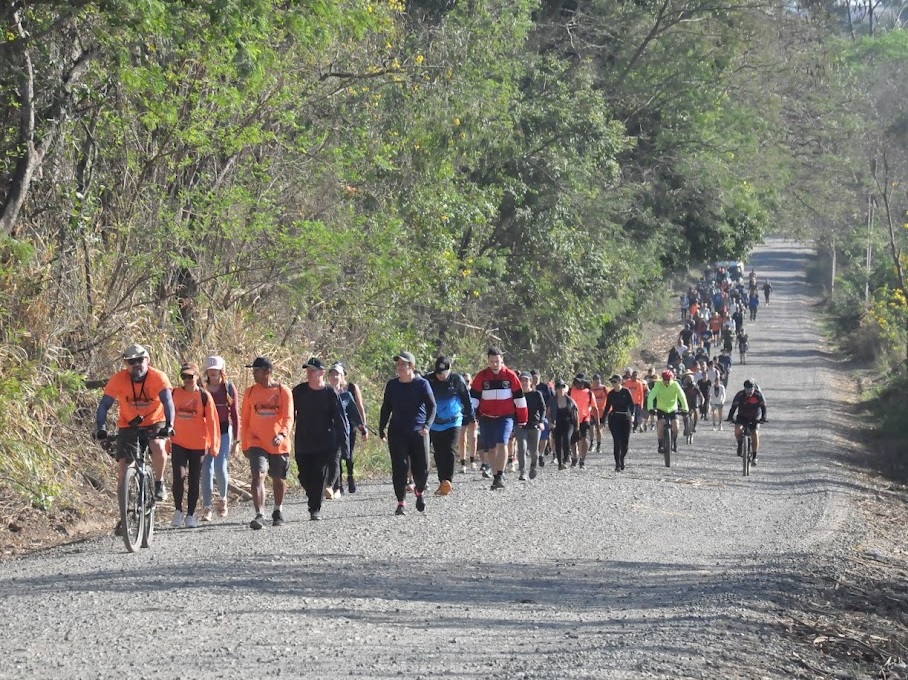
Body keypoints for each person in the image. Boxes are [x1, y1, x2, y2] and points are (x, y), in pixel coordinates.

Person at [96, 343, 175, 534]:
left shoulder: (158, 377)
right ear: (126, 364)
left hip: (156, 421)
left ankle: (159, 483)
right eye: (131, 362)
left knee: (157, 445)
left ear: (147, 360)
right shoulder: (119, 379)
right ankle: (125, 515)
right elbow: (104, 405)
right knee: (124, 471)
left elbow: (168, 401)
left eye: (140, 360)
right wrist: (101, 428)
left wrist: (170, 425)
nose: (136, 365)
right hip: (128, 424)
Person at [378, 351, 437, 514]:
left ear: (411, 366)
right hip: (397, 432)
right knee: (400, 467)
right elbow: (386, 408)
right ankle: (401, 502)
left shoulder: (422, 384)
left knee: (422, 467)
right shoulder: (392, 385)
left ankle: (419, 491)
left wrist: (427, 426)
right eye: (398, 364)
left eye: (403, 364)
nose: (399, 367)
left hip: (418, 432)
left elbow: (432, 406)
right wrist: (381, 427)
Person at [293, 357, 350, 520]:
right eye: (308, 370)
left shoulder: (330, 393)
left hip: (324, 443)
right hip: (303, 441)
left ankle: (314, 509)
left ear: (322, 373)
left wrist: (344, 444)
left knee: (318, 475)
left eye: (312, 370)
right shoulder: (298, 391)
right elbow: (289, 415)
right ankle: (313, 494)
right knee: (304, 475)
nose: (309, 373)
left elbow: (340, 419)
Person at [241, 356, 294, 530]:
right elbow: (246, 420)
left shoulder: (283, 391)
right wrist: (245, 444)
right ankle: (260, 514)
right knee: (258, 475)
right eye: (253, 371)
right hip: (256, 441)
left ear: (267, 372)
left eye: (256, 371)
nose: (254, 374)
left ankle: (277, 510)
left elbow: (288, 417)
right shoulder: (250, 392)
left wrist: (282, 434)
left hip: (279, 443)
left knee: (278, 479)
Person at [469, 347, 528, 490]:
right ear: (488, 361)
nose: (495, 364)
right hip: (486, 417)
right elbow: (474, 398)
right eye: (492, 361)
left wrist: (522, 418)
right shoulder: (481, 376)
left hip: (505, 417)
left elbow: (519, 398)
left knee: (502, 443)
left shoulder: (511, 376)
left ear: (502, 360)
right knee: (491, 448)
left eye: (497, 361)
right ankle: (495, 477)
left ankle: (500, 474)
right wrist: (472, 416)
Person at [169, 363, 219, 529]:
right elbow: (166, 417)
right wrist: (166, 441)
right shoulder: (174, 393)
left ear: (197, 376)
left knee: (193, 479)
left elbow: (213, 421)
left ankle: (190, 514)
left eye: (191, 376)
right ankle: (178, 510)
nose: (188, 380)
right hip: (178, 442)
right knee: (179, 476)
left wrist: (215, 445)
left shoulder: (204, 396)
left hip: (198, 444)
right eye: (184, 376)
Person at [426, 356, 473, 496]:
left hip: (454, 420)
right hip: (434, 422)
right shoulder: (428, 380)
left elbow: (466, 398)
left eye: (443, 373)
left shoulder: (457, 380)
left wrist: (471, 416)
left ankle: (448, 480)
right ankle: (442, 481)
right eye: (438, 373)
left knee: (449, 449)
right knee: (439, 452)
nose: (441, 376)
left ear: (449, 370)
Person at [200, 355, 239, 520]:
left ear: (222, 370)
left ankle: (222, 500)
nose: (213, 372)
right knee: (205, 468)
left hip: (223, 430)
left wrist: (236, 440)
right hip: (206, 432)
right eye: (210, 369)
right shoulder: (201, 388)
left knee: (220, 466)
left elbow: (235, 414)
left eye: (216, 369)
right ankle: (207, 507)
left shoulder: (228, 388)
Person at [327, 362, 367, 495]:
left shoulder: (349, 392)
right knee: (335, 458)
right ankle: (338, 486)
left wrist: (363, 427)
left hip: (349, 428)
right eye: (332, 374)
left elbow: (357, 410)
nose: (334, 377)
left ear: (343, 376)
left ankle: (350, 477)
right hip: (331, 431)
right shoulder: (325, 392)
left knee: (348, 456)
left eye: (337, 374)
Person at [646, 369, 689, 455]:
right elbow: (651, 396)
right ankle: (660, 444)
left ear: (672, 378)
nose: (667, 381)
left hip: (673, 408)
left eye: (668, 379)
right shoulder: (658, 384)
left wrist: (685, 409)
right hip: (661, 408)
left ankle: (674, 443)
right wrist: (650, 408)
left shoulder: (675, 384)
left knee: (676, 426)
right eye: (665, 379)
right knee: (661, 425)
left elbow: (682, 396)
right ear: (662, 379)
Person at [726, 379, 767, 464]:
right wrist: (730, 417)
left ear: (754, 388)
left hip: (755, 417)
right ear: (744, 389)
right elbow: (733, 407)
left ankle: (755, 457)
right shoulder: (740, 395)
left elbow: (764, 407)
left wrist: (763, 418)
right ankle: (740, 444)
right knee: (737, 430)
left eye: (751, 389)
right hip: (742, 416)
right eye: (747, 389)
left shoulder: (758, 395)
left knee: (755, 434)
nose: (749, 392)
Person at [515, 371, 545, 480]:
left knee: (533, 450)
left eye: (526, 380)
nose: (524, 383)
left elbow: (543, 408)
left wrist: (541, 421)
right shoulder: (517, 395)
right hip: (521, 426)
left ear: (531, 382)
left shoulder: (537, 394)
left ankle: (533, 466)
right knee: (522, 448)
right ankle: (522, 472)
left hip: (534, 425)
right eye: (522, 380)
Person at [602, 375, 634, 471]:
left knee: (625, 444)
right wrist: (602, 420)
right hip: (614, 419)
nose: (613, 384)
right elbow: (607, 407)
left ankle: (622, 458)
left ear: (620, 382)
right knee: (617, 442)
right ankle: (617, 464)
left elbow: (632, 405)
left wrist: (632, 415)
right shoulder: (611, 394)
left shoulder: (626, 391)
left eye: (615, 381)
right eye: (612, 382)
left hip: (625, 418)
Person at [568, 374, 598, 469]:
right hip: (573, 419)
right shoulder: (570, 391)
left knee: (583, 439)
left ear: (584, 382)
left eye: (581, 382)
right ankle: (574, 457)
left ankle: (582, 460)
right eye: (577, 382)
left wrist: (597, 422)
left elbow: (594, 408)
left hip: (585, 418)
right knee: (572, 440)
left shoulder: (589, 393)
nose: (579, 384)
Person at [546, 379, 578, 470]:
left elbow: (576, 412)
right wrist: (550, 423)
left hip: (569, 423)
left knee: (566, 439)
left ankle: (565, 459)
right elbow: (548, 413)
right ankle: (560, 463)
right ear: (556, 389)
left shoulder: (570, 400)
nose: (561, 390)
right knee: (558, 442)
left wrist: (577, 426)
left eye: (563, 387)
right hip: (556, 423)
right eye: (559, 388)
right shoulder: (552, 400)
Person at [458, 372, 478, 473]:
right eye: (464, 381)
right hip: (461, 416)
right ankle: (463, 463)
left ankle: (472, 460)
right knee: (462, 439)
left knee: (473, 437)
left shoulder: (474, 392)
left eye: (468, 380)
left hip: (472, 416)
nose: (466, 382)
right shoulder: (458, 391)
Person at [590, 374, 609, 452]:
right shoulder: (590, 389)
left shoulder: (604, 388)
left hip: (601, 412)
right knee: (591, 428)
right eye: (595, 379)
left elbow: (610, 398)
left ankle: (598, 445)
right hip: (592, 412)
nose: (597, 381)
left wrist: (608, 410)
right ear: (593, 381)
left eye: (598, 379)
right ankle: (591, 443)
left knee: (599, 429)